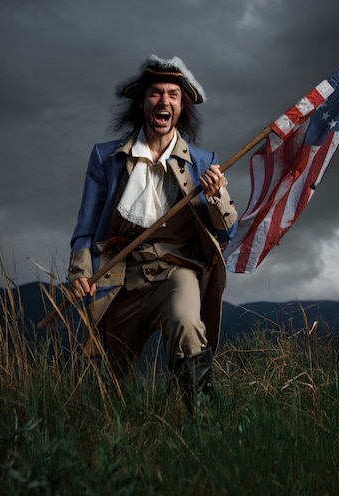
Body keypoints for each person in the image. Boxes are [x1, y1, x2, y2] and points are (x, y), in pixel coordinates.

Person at [67, 55, 238, 410]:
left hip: (177, 270)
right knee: (107, 372)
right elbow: (86, 225)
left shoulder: (204, 162)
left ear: (182, 106)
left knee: (188, 326)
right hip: (120, 275)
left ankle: (203, 424)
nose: (164, 101)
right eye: (156, 93)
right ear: (142, 103)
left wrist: (216, 194)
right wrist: (81, 272)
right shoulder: (106, 157)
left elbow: (226, 230)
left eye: (173, 94)